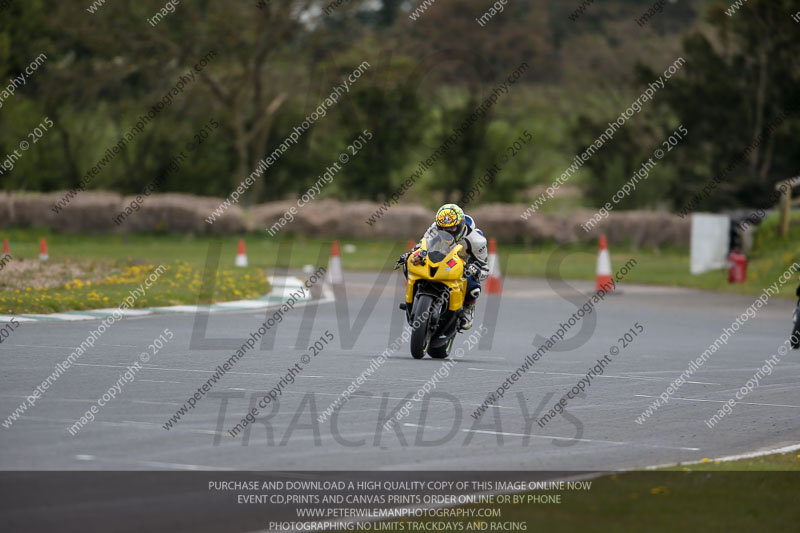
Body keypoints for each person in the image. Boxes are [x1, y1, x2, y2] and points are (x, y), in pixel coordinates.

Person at [402, 204, 489, 330]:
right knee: (408, 263)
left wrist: (475, 270)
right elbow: (422, 245)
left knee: (473, 287)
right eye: (442, 228)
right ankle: (417, 294)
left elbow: (485, 269)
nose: (446, 232)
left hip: (464, 263)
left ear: (460, 225)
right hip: (440, 255)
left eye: (452, 228)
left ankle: (468, 308)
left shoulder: (477, 241)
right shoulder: (435, 227)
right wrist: (411, 254)